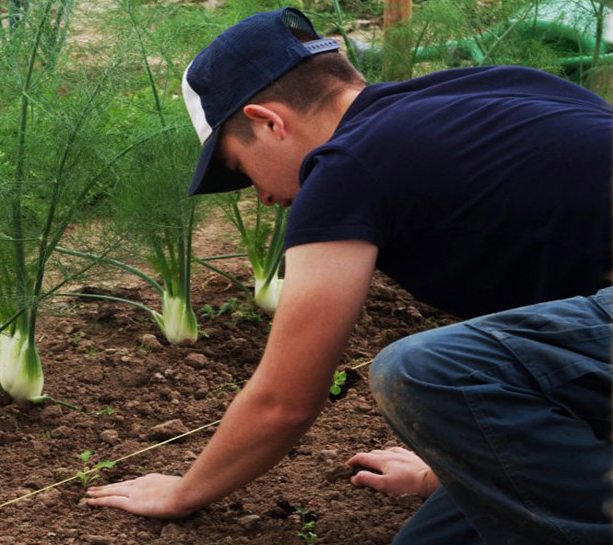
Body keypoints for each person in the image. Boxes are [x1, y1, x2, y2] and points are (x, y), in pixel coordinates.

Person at [84, 8, 613, 545]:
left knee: (424, 370)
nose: (264, 198)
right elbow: (564, 356)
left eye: (241, 170)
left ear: (269, 121)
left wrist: (184, 491)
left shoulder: (345, 165)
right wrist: (461, 466)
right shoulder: (504, 86)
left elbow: (284, 402)